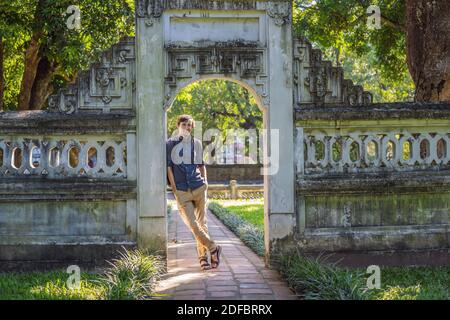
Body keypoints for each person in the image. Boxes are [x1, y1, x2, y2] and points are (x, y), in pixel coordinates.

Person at [166, 114, 222, 271]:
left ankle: (203, 258)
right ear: (178, 126)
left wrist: (205, 182)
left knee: (202, 224)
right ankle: (213, 248)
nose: (187, 127)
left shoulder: (196, 144)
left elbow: (201, 165)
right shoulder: (169, 144)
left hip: (198, 187)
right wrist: (175, 189)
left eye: (190, 125)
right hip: (182, 190)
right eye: (184, 125)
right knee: (193, 224)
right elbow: (169, 168)